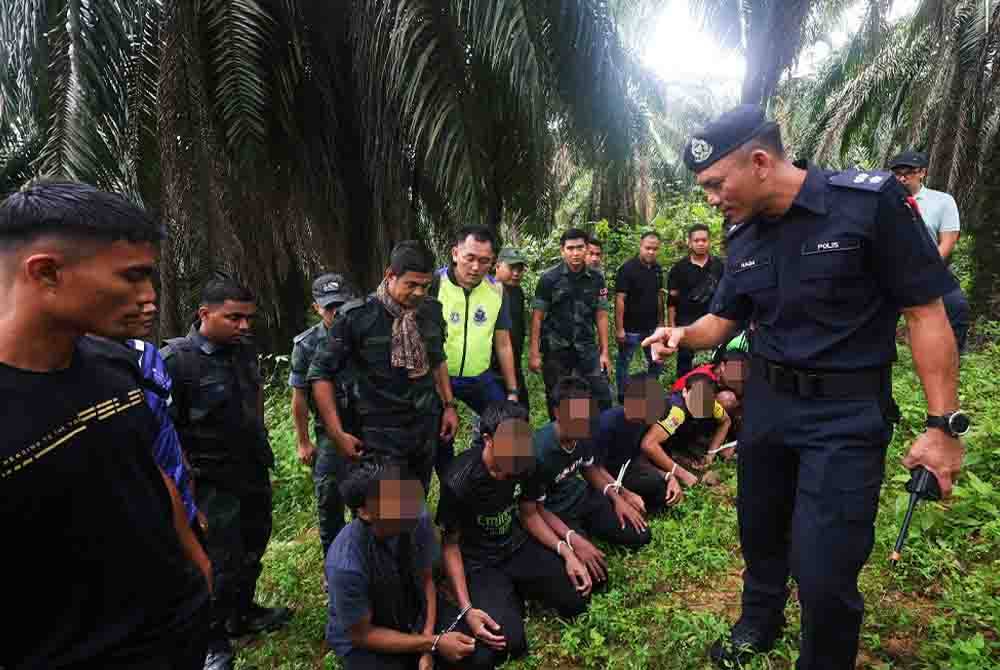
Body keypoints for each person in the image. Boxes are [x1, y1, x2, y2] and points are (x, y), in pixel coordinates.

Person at [643, 105, 965, 669]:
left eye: (717, 184)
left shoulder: (868, 205)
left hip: (845, 414)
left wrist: (942, 428)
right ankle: (757, 622)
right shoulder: (742, 233)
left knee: (824, 566)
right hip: (768, 405)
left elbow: (925, 313)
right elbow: (726, 319)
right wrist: (682, 334)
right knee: (760, 529)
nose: (712, 199)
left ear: (761, 161)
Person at [0, 181, 211, 670]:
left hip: (175, 630)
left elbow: (144, 466)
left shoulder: (112, 362)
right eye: (132, 277)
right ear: (47, 272)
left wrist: (196, 563)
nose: (150, 297)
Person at [163, 279, 291, 670]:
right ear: (205, 314)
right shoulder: (177, 360)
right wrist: (187, 497)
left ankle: (242, 613)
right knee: (216, 562)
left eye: (248, 318)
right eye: (233, 317)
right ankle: (210, 640)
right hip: (209, 482)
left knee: (253, 545)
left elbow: (253, 403)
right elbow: (166, 433)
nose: (243, 326)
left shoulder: (243, 351)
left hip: (249, 471)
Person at [436, 401, 589, 670]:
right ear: (488, 439)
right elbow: (450, 544)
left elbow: (530, 513)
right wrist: (466, 608)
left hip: (516, 546)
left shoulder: (526, 463)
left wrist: (566, 551)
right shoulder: (459, 480)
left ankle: (515, 590)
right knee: (510, 642)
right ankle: (501, 594)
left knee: (578, 597)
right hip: (480, 563)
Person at [308, 241, 459, 492]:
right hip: (379, 438)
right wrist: (337, 434)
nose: (419, 293)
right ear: (390, 275)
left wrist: (449, 406)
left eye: (425, 285)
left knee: (416, 496)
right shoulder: (357, 317)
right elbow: (320, 374)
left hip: (424, 428)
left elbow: (437, 360)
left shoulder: (431, 311)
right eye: (411, 284)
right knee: (385, 508)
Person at [325, 463, 476, 670]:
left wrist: (428, 641)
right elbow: (363, 634)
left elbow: (427, 580)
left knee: (478, 656)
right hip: (370, 640)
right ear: (365, 512)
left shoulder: (416, 516)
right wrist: (434, 643)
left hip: (412, 615)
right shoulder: (346, 565)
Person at [518, 376, 652, 590]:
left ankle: (589, 527)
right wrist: (573, 540)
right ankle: (581, 534)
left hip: (579, 497)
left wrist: (618, 498)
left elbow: (589, 468)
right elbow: (534, 511)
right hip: (553, 513)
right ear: (558, 413)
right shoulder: (537, 453)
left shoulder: (585, 432)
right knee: (597, 579)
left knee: (640, 535)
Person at [431, 226, 520, 477]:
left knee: (505, 427)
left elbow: (503, 343)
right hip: (438, 379)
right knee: (441, 439)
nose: (475, 267)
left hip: (478, 377)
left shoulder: (496, 291)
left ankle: (489, 475)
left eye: (484, 261)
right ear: (455, 253)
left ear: (492, 262)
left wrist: (512, 390)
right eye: (469, 258)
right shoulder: (434, 285)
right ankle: (451, 485)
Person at [289, 273, 359, 563]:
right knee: (329, 498)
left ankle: (367, 556)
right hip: (329, 431)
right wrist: (303, 442)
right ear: (317, 307)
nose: (335, 312)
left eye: (340, 306)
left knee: (372, 494)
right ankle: (334, 562)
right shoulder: (306, 344)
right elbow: (300, 397)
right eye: (329, 307)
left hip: (365, 424)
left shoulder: (362, 332)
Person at [889, 150, 971, 352]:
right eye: (897, 172)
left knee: (956, 306)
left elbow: (948, 241)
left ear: (922, 173)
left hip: (929, 269)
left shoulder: (942, 201)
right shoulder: (881, 201)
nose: (902, 177)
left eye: (908, 172)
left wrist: (927, 268)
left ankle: (953, 355)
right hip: (891, 272)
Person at [529, 228, 613, 416]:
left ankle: (591, 436)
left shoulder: (597, 279)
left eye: (580, 248)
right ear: (562, 250)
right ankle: (561, 438)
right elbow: (537, 317)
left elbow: (601, 314)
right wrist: (534, 352)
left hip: (586, 348)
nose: (575, 253)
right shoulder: (549, 279)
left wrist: (605, 352)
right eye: (570, 248)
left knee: (600, 395)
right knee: (557, 398)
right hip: (556, 351)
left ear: (586, 249)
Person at [592, 375, 685, 513]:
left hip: (626, 474)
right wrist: (625, 494)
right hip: (603, 483)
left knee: (662, 492)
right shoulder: (607, 424)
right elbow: (595, 468)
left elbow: (636, 459)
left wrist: (668, 476)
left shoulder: (641, 422)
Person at [641, 373, 734, 473]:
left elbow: (725, 421)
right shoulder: (677, 412)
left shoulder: (711, 405)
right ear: (685, 392)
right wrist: (682, 474)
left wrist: (711, 453)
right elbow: (648, 445)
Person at [666, 223, 724, 378]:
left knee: (716, 363)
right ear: (689, 242)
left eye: (704, 240)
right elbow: (671, 300)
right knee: (685, 365)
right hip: (686, 323)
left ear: (709, 241)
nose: (700, 243)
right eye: (696, 240)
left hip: (713, 322)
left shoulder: (719, 266)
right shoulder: (679, 268)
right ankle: (682, 394)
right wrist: (672, 326)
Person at [614, 231, 665, 402]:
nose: (651, 252)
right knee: (624, 362)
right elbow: (620, 299)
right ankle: (622, 395)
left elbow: (659, 295)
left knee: (656, 361)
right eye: (648, 248)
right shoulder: (627, 269)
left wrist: (661, 322)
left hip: (651, 328)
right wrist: (620, 328)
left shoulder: (657, 269)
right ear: (640, 247)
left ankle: (650, 392)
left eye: (655, 249)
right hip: (630, 328)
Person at [492, 246, 530, 413]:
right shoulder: (487, 292)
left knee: (521, 411)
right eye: (511, 268)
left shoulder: (517, 292)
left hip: (514, 363)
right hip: (490, 368)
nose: (516, 273)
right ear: (497, 266)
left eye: (520, 269)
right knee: (492, 415)